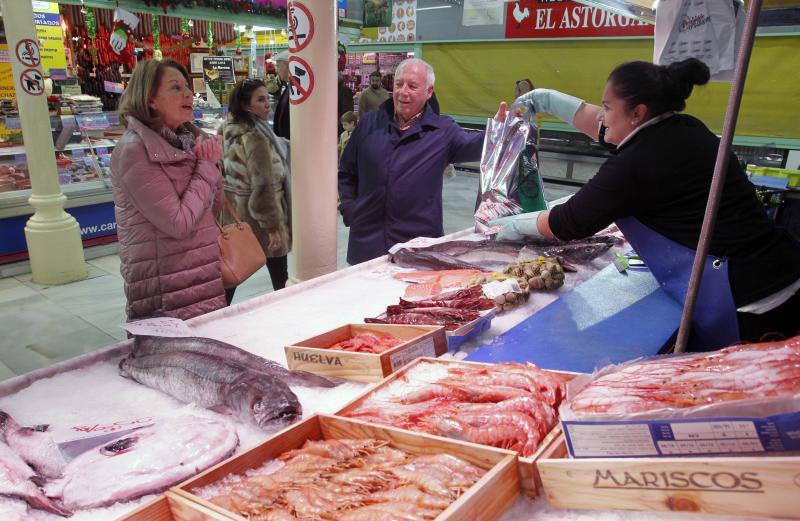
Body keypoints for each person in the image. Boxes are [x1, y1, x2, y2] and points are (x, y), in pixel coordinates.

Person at [492, 58, 800, 349]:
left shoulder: (636, 163)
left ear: (638, 113)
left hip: (751, 300)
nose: (602, 115)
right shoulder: (684, 128)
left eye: (607, 107)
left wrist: (517, 224)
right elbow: (604, 126)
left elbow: (570, 221)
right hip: (783, 272)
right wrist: (544, 99)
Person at [339, 58, 505, 265]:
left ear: (429, 92)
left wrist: (498, 132)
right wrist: (350, 209)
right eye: (399, 84)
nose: (403, 92)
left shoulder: (442, 130)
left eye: (413, 86)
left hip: (418, 247)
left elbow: (476, 146)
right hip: (366, 245)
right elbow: (346, 170)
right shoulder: (370, 123)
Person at [112, 59, 226, 321]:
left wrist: (211, 164)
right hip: (166, 286)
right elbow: (178, 223)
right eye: (176, 88)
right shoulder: (134, 150)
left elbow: (214, 207)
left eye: (187, 87)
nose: (188, 94)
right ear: (150, 99)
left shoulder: (188, 140)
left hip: (203, 273)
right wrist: (207, 167)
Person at [221, 78, 291, 301]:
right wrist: (271, 227)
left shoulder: (228, 130)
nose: (267, 105)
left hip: (236, 215)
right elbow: (263, 188)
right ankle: (291, 315)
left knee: (233, 272)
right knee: (280, 278)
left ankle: (214, 314)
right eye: (260, 100)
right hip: (262, 219)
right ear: (245, 105)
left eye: (267, 99)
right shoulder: (256, 139)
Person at [272, 50, 291, 139]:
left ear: (288, 65)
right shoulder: (289, 86)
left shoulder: (294, 89)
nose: (276, 70)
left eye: (278, 66)